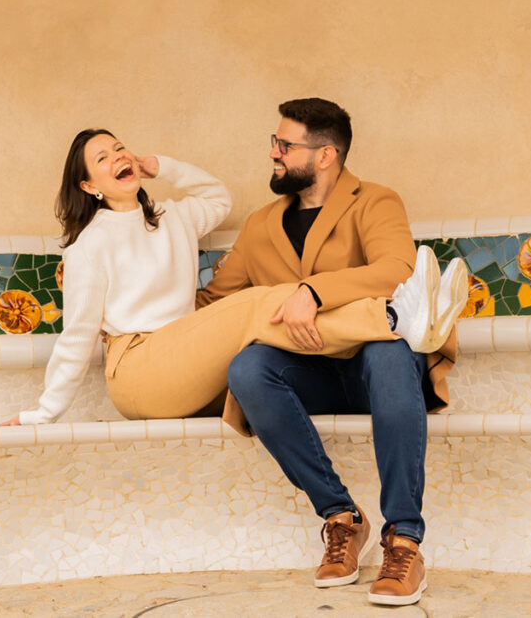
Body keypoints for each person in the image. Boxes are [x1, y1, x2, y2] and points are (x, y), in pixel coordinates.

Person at [197, 98, 460, 606]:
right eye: (274, 143)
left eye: (284, 145)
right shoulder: (260, 224)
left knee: (388, 353)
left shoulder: (375, 201)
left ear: (325, 155)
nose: (273, 153)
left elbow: (397, 270)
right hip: (308, 372)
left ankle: (404, 541)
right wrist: (134, 321)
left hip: (376, 369)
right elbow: (216, 301)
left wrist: (313, 292)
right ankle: (342, 518)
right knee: (248, 367)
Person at [2, 128, 442, 428]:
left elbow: (218, 197)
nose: (118, 156)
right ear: (87, 185)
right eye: (103, 158)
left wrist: (162, 166)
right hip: (139, 371)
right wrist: (44, 413)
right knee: (257, 304)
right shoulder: (90, 245)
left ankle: (388, 329)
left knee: (258, 370)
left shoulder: (172, 218)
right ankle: (392, 318)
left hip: (185, 361)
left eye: (120, 148)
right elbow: (77, 334)